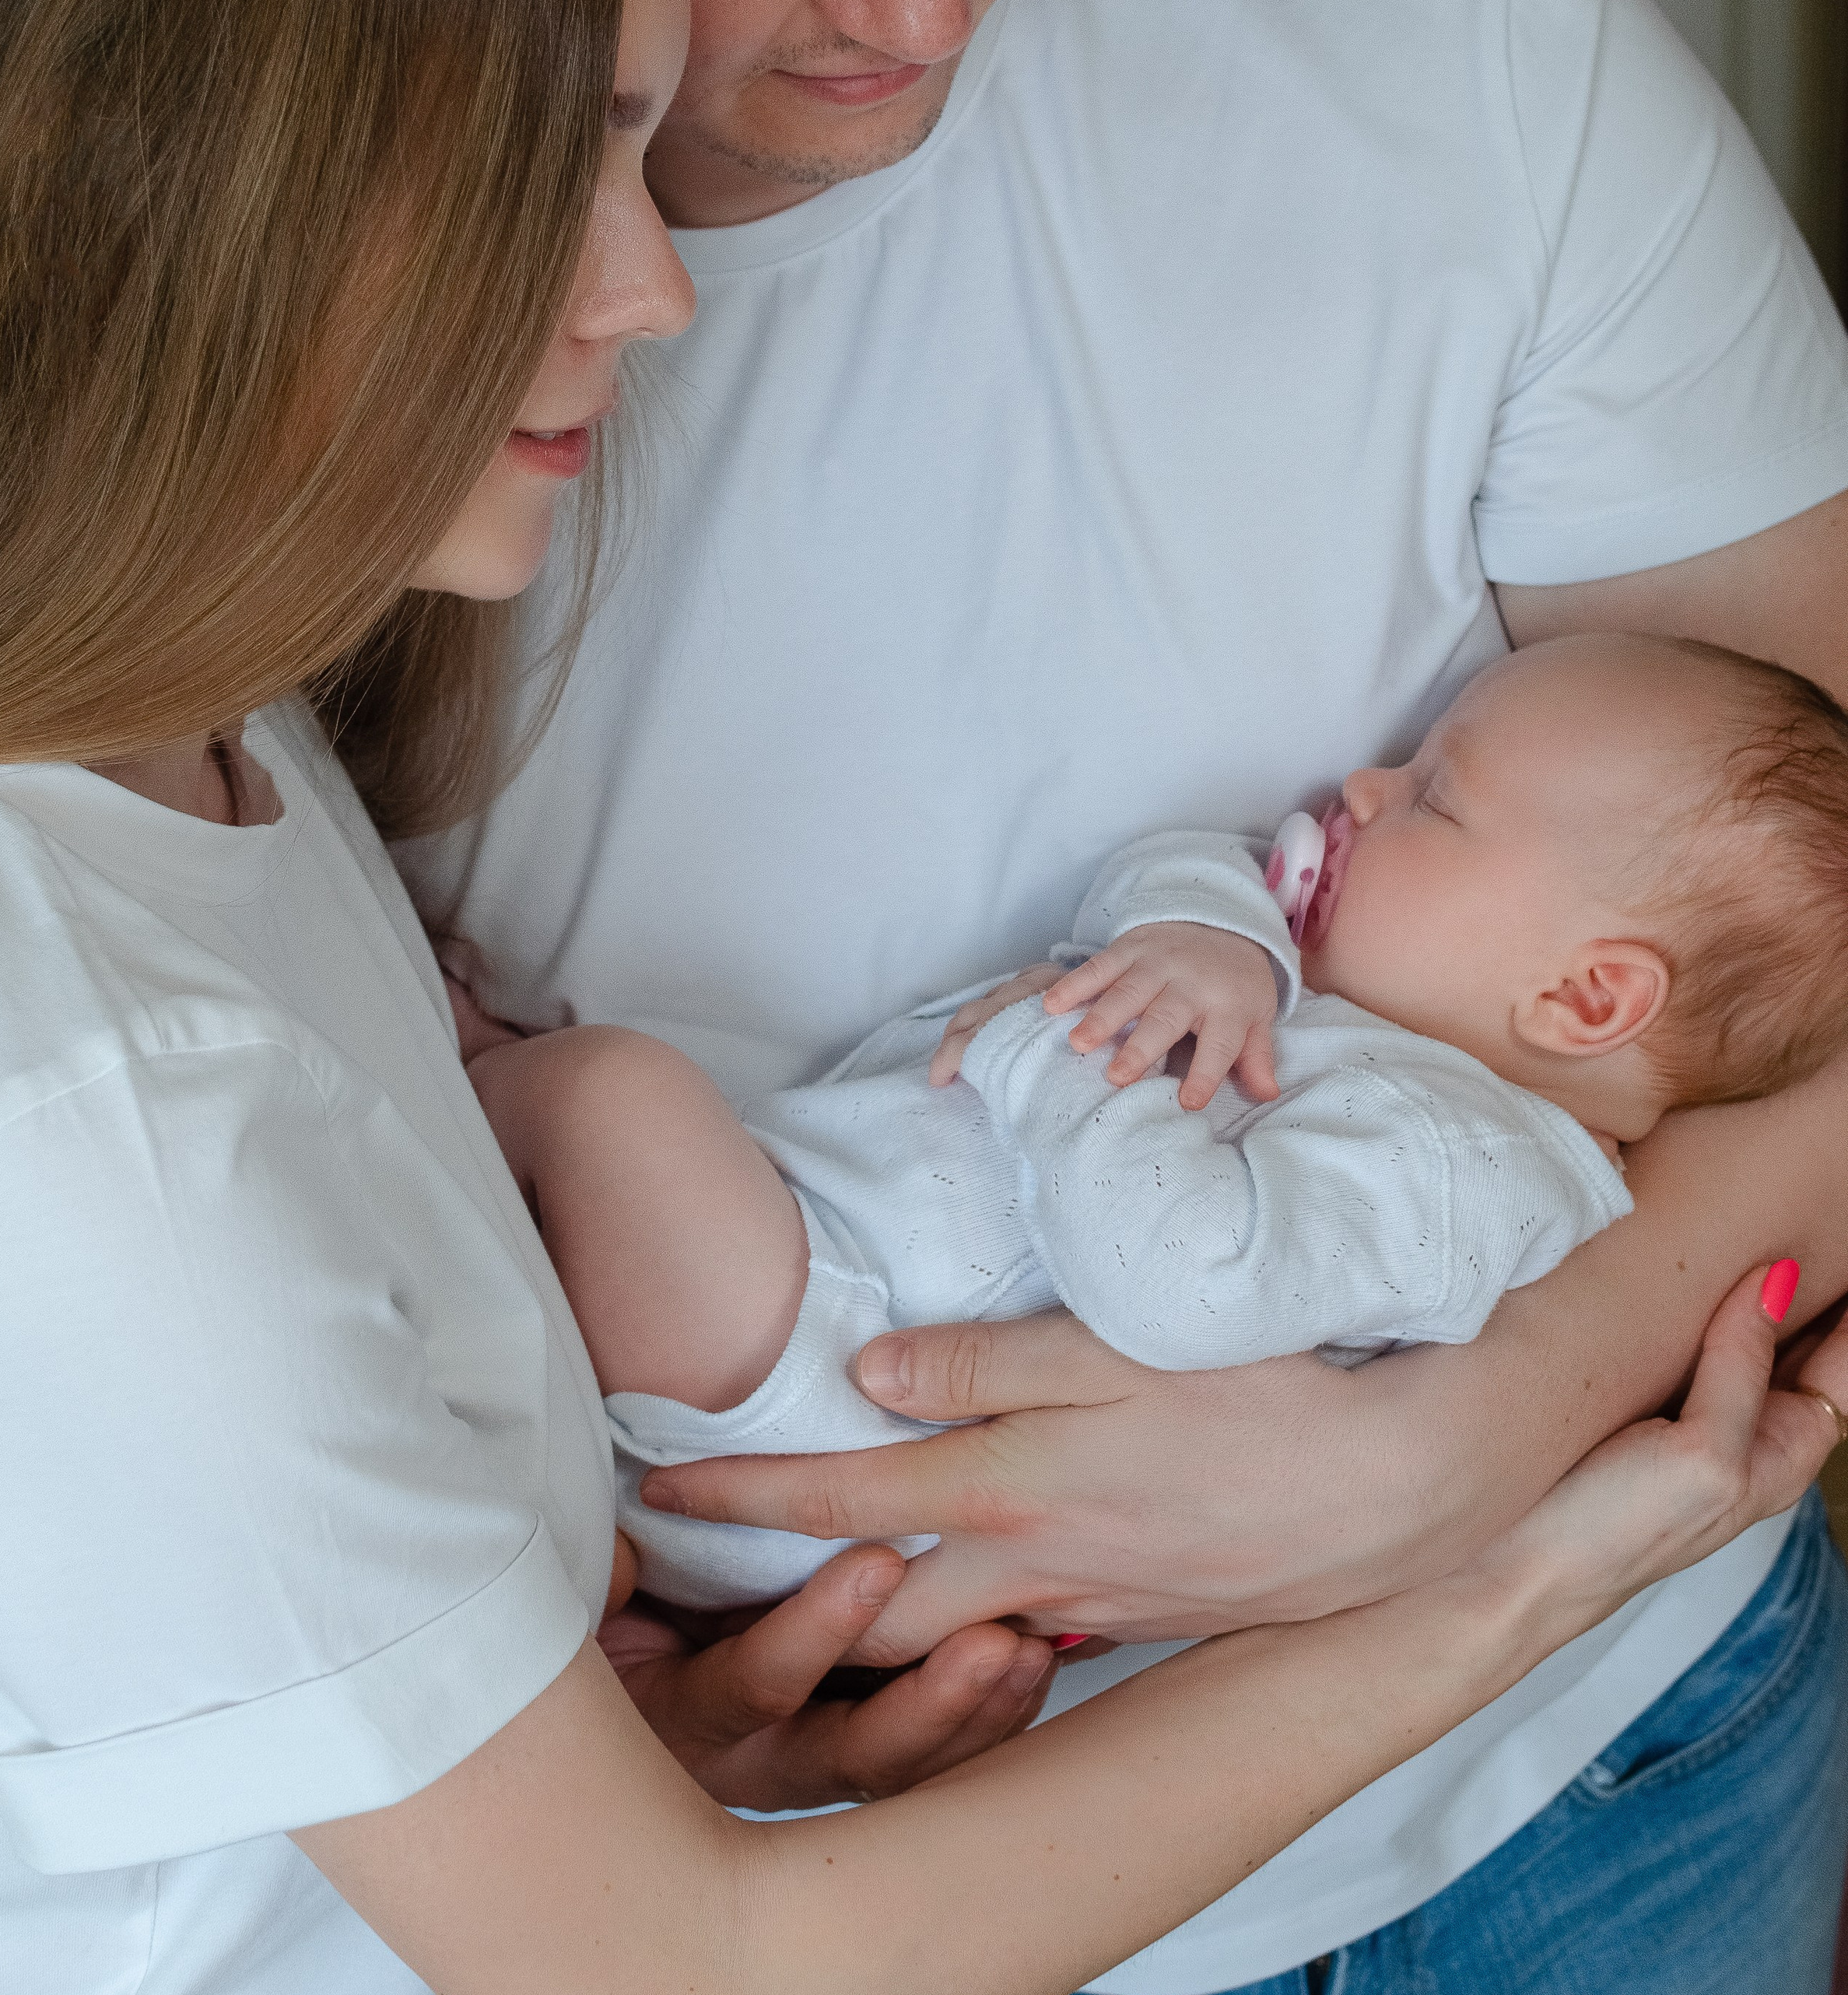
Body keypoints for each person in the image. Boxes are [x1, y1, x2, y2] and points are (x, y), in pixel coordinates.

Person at [0, 0, 1827, 1995]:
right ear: (188, 195)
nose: (660, 293)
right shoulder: (85, 1087)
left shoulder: (217, 730)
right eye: (570, 152)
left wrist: (593, 1731)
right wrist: (1492, 1547)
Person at [369, 0, 1848, 1995]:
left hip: (1614, 1775)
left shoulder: (1468, 63)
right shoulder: (332, 383)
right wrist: (577, 1681)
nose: (922, 6)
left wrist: (1484, 1425)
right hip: (924, 1920)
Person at [461, 633, 1848, 1612]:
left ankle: (447, 1097)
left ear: (1587, 995)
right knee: (575, 1166)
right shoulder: (1363, 994)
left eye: (1433, 796)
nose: (1360, 790)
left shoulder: (1461, 1170)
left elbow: (1184, 1286)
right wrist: (1205, 934)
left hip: (836, 1381)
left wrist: (1046, 1044)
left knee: (603, 1095)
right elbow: (1186, 870)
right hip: (810, 1282)